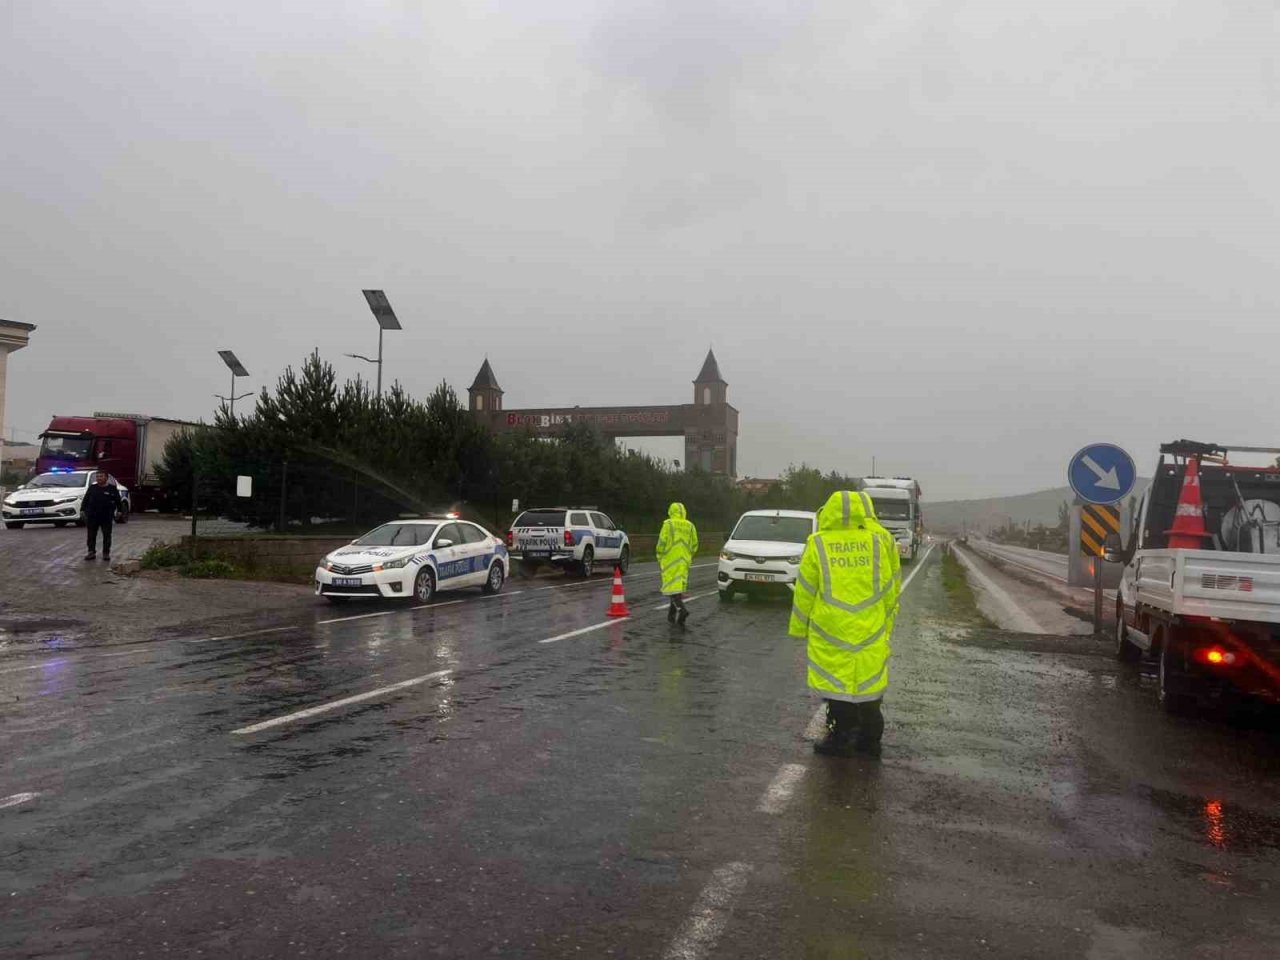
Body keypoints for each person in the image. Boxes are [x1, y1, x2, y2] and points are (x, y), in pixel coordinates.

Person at [789, 490, 900, 758]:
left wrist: (799, 627)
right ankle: (870, 742)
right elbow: (889, 589)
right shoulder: (877, 542)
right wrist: (886, 623)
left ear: (830, 511)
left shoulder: (818, 543)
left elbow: (805, 590)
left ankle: (840, 739)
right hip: (869, 629)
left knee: (836, 689)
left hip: (831, 630)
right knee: (869, 688)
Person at [657, 502, 699, 625]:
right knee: (677, 588)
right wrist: (688, 555)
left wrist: (660, 555)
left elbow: (661, 542)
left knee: (671, 588)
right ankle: (672, 615)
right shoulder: (690, 526)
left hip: (670, 560)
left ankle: (682, 610)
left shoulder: (668, 524)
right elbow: (695, 544)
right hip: (684, 561)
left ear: (671, 511)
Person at [81, 469, 123, 562]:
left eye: (101, 476)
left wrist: (119, 511)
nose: (99, 478)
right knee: (91, 535)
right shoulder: (92, 488)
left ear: (106, 478)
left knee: (107, 535)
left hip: (106, 516)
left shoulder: (112, 489)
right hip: (92, 516)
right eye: (97, 476)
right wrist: (82, 510)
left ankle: (106, 553)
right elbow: (86, 499)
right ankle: (91, 552)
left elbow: (118, 501)